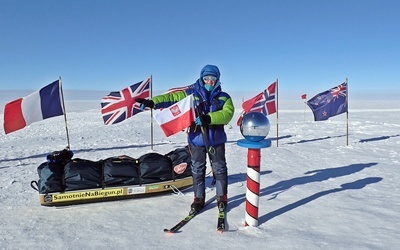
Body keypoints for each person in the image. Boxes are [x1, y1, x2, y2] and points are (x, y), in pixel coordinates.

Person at [136, 64, 234, 214]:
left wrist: (209, 118)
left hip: (216, 140)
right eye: (206, 78)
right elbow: (171, 98)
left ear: (217, 80)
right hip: (196, 140)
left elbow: (227, 114)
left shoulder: (224, 97)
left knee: (220, 169)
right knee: (197, 170)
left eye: (212, 79)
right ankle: (198, 198)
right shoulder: (191, 94)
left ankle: (222, 197)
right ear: (202, 79)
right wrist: (153, 102)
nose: (209, 81)